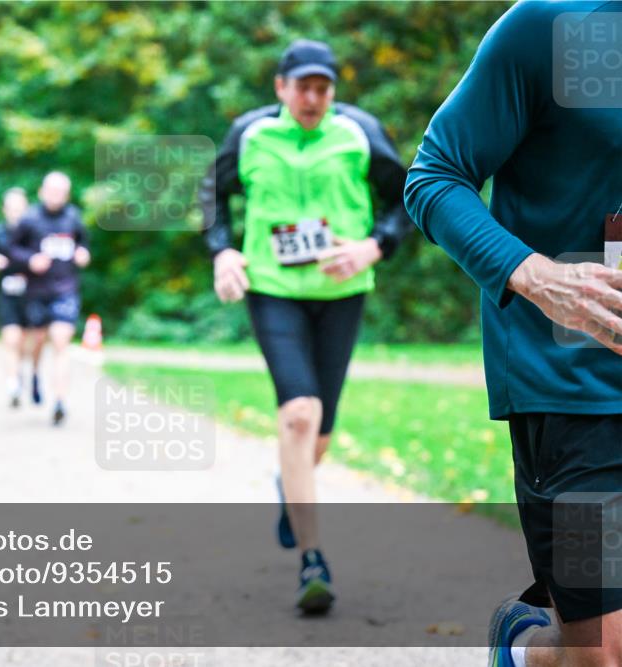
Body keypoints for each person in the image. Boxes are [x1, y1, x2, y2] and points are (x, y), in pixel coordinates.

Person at [404, 3, 622, 666]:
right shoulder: (552, 27)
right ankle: (525, 646)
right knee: (604, 656)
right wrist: (534, 274)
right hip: (580, 386)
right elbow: (435, 176)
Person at [199, 38, 410, 613]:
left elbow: (410, 198)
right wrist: (222, 251)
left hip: (341, 291)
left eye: (324, 88)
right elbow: (208, 194)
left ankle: (290, 488)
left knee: (317, 436)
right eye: (303, 87)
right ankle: (313, 560)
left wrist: (374, 247)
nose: (314, 98)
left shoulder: (359, 133)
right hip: (273, 289)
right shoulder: (250, 134)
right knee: (298, 413)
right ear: (280, 88)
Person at [9, 172, 90, 425]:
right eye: (52, 191)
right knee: (38, 341)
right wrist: (30, 260)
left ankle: (60, 401)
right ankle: (33, 375)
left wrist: (82, 254)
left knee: (61, 341)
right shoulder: (29, 219)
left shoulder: (73, 217)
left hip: (65, 290)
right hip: (36, 292)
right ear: (42, 191)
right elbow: (11, 250)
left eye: (61, 192)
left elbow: (84, 244)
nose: (56, 197)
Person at [0, 187, 44, 408]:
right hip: (7, 292)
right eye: (12, 208)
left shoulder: (36, 231)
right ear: (4, 210)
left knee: (31, 343)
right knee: (11, 340)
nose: (16, 213)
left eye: (20, 208)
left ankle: (32, 375)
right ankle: (13, 385)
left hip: (33, 293)